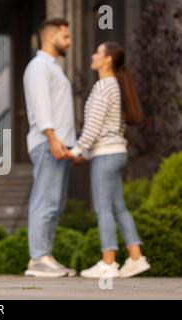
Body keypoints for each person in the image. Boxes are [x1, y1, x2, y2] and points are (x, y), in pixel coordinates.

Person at [69, 41, 151, 278]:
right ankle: (136, 258)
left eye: (98, 52)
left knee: (104, 209)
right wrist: (84, 152)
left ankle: (108, 262)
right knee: (119, 207)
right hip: (117, 153)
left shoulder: (104, 86)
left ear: (108, 60)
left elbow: (93, 126)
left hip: (105, 155)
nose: (93, 55)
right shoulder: (116, 85)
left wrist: (77, 150)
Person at [23, 18, 76, 278]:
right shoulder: (39, 67)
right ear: (50, 36)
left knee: (54, 203)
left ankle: (45, 254)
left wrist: (72, 147)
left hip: (60, 145)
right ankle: (38, 259)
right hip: (48, 143)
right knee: (45, 201)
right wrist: (53, 139)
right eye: (65, 37)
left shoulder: (53, 68)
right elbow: (42, 106)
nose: (69, 41)